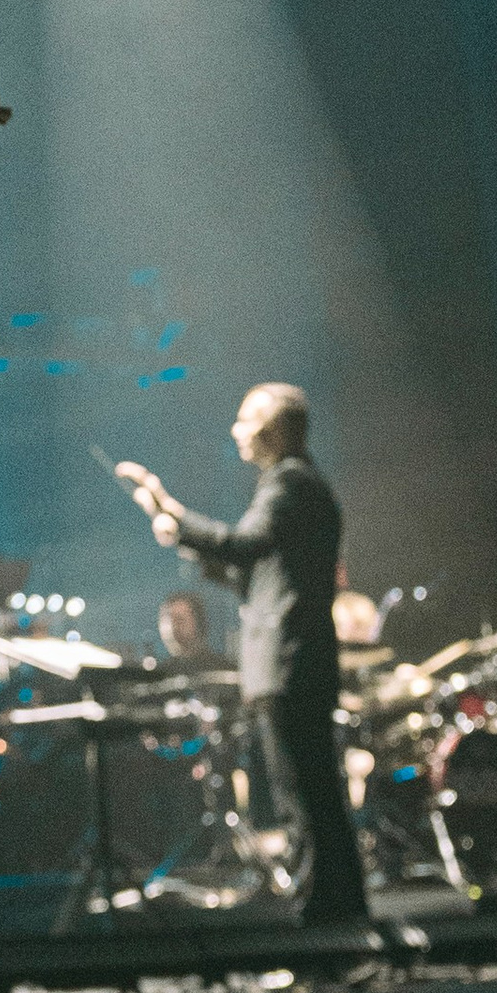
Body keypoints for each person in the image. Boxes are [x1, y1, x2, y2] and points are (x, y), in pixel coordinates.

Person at [117, 382, 369, 928]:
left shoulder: (288, 483)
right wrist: (179, 530)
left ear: (273, 429)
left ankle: (320, 915)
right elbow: (254, 578)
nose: (236, 431)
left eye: (245, 420)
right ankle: (340, 909)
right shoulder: (301, 485)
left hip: (288, 663)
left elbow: (241, 546)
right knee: (316, 792)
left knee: (302, 793)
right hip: (298, 659)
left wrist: (174, 514)